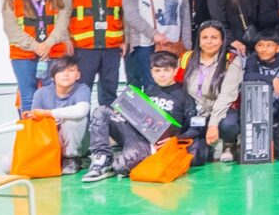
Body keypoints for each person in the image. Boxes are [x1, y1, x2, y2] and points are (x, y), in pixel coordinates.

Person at [83, 50, 199, 182]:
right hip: (134, 134)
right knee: (102, 111)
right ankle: (102, 160)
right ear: (151, 72)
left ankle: (117, 164)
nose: (162, 75)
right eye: (157, 71)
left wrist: (176, 139)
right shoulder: (148, 90)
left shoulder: (185, 97)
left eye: (166, 70)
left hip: (153, 145)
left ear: (175, 70)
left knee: (120, 167)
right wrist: (122, 114)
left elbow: (195, 129)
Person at [3, 0, 70, 115]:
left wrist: (47, 45)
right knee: (28, 96)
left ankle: (50, 136)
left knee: (51, 96)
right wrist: (36, 47)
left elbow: (62, 24)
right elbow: (11, 30)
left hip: (52, 53)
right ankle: (29, 135)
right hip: (23, 55)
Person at [63, 0, 126, 108]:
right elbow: (64, 13)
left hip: (112, 47)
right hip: (84, 47)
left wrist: (125, 40)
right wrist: (65, 39)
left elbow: (124, 14)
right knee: (82, 89)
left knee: (109, 90)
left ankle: (106, 128)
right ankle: (82, 131)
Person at [122, 0, 190, 85]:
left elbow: (185, 16)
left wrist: (187, 45)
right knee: (151, 84)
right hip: (145, 45)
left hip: (173, 44)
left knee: (174, 83)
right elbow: (131, 15)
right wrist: (154, 34)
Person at [181, 20, 244, 163]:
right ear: (199, 40)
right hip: (195, 111)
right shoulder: (187, 58)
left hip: (220, 110)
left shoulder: (231, 60)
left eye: (214, 38)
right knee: (196, 158)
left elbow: (227, 95)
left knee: (229, 123)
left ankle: (229, 145)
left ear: (222, 41)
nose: (209, 42)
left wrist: (213, 124)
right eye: (205, 38)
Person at [27, 56, 90, 174]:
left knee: (73, 121)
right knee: (7, 164)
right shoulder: (41, 93)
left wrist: (48, 113)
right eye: (61, 71)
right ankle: (51, 158)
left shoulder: (82, 89)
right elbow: (35, 123)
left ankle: (71, 158)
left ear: (78, 75)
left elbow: (81, 110)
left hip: (76, 141)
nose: (66, 74)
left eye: (71, 71)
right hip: (49, 141)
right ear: (52, 76)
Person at [243, 31, 279, 141]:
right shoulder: (253, 60)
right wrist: (272, 79)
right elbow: (248, 76)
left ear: (278, 48)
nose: (264, 49)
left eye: (269, 45)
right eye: (260, 45)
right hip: (259, 103)